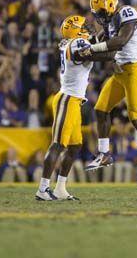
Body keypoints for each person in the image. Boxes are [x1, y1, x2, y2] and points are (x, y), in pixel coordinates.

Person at [35, 15, 113, 200]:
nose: (87, 27)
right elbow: (101, 54)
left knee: (75, 146)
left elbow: (95, 42)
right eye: (83, 26)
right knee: (58, 145)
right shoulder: (76, 44)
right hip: (66, 99)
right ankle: (42, 189)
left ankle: (60, 188)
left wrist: (107, 26)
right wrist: (116, 47)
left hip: (75, 101)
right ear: (76, 31)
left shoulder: (73, 42)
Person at [84, 0, 137, 185]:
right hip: (119, 72)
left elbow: (119, 42)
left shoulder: (127, 13)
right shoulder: (108, 22)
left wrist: (90, 50)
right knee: (100, 110)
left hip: (136, 71)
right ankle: (104, 153)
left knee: (136, 117)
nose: (98, 16)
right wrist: (80, 45)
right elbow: (103, 47)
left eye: (99, 12)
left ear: (109, 6)